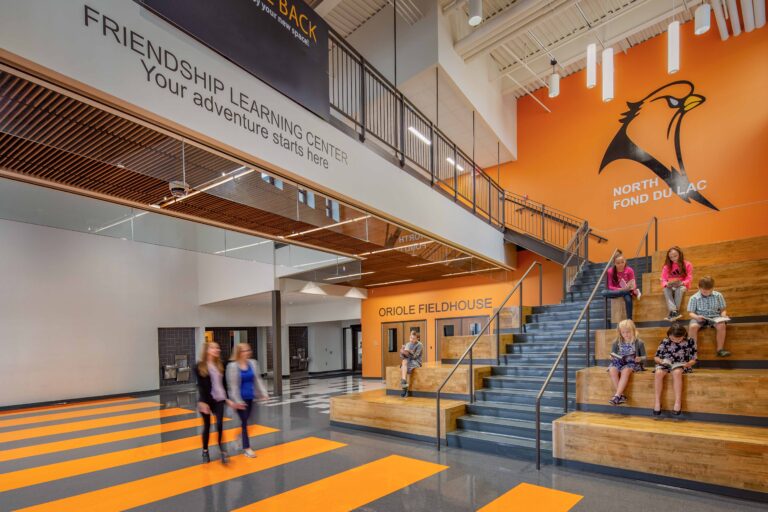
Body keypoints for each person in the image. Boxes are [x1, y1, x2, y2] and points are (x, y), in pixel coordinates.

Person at [227, 343, 269, 458]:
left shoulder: (253, 363)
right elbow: (233, 386)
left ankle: (238, 439)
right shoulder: (233, 366)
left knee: (252, 422)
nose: (247, 352)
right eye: (244, 351)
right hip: (239, 400)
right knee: (245, 423)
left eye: (248, 350)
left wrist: (263, 393)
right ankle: (247, 448)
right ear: (239, 353)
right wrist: (237, 401)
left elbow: (258, 380)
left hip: (251, 397)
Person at [195, 341, 234, 464]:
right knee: (207, 426)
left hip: (219, 399)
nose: (217, 350)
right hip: (206, 400)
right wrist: (202, 402)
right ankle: (205, 450)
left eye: (218, 348)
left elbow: (223, 384)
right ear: (207, 350)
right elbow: (200, 386)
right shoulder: (199, 366)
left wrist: (227, 398)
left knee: (219, 425)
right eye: (214, 348)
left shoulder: (221, 364)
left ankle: (223, 451)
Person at [653, 323, 697, 417]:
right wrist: (661, 361)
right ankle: (657, 402)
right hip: (665, 364)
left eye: (678, 339)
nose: (675, 341)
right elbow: (656, 357)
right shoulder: (665, 341)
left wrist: (688, 364)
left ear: (684, 335)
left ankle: (677, 402)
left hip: (682, 365)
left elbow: (694, 359)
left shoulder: (690, 341)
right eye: (672, 339)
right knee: (658, 373)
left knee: (676, 372)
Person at [688, 276, 731, 357]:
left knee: (721, 325)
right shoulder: (694, 298)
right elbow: (691, 313)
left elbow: (722, 309)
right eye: (704, 292)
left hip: (715, 317)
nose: (707, 293)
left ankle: (720, 350)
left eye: (709, 291)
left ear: (713, 288)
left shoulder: (718, 295)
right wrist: (697, 317)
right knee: (693, 326)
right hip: (700, 317)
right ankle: (693, 353)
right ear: (698, 287)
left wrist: (724, 316)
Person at [607, 319, 646, 405]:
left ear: (633, 330)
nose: (625, 334)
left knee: (625, 371)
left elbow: (644, 357)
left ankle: (617, 395)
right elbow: (612, 354)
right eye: (623, 332)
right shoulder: (616, 342)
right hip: (619, 362)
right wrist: (612, 357)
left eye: (628, 332)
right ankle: (622, 396)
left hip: (632, 364)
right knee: (612, 370)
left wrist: (640, 359)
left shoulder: (639, 342)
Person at [602, 254, 641, 320]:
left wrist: (631, 288)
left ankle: (629, 320)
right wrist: (621, 289)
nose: (621, 264)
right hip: (617, 292)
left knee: (628, 299)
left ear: (625, 261)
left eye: (622, 262)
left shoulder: (629, 270)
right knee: (603, 292)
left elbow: (633, 284)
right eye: (618, 263)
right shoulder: (610, 271)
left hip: (626, 291)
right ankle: (625, 292)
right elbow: (610, 286)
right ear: (614, 263)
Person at [660, 246, 693, 321]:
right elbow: (663, 280)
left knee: (680, 289)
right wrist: (666, 284)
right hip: (671, 285)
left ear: (680, 254)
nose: (673, 258)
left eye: (675, 256)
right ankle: (675, 312)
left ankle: (673, 312)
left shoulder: (687, 264)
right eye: (671, 257)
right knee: (665, 289)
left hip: (682, 285)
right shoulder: (666, 267)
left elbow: (689, 278)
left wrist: (682, 283)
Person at [399, 330, 423, 398]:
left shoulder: (420, 345)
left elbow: (415, 357)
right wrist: (402, 352)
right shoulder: (408, 344)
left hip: (416, 362)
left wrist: (409, 352)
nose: (412, 340)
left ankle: (404, 387)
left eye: (413, 338)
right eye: (411, 338)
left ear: (417, 338)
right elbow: (402, 357)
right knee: (404, 361)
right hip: (408, 361)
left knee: (404, 364)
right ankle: (404, 382)